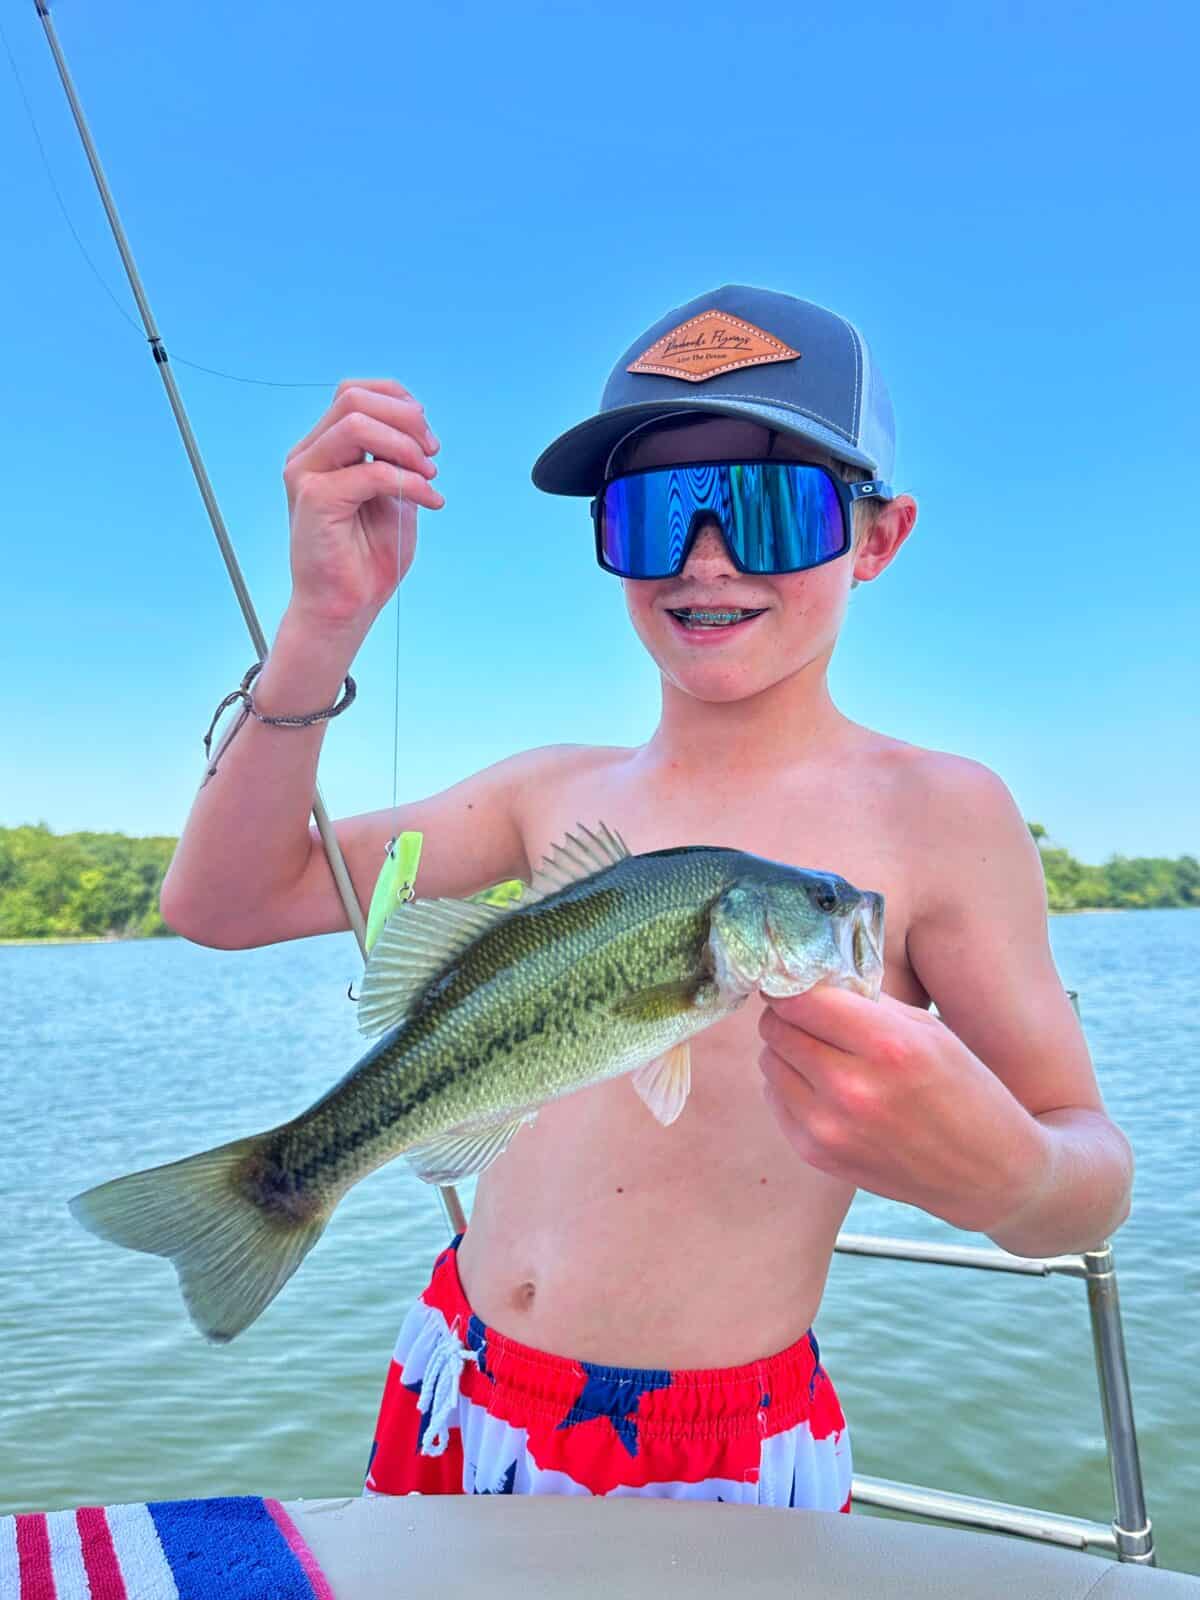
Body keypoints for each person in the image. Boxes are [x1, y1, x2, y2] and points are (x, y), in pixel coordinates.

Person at [160, 284, 1134, 1509]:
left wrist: (1008, 1176)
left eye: (771, 509)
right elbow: (223, 900)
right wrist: (320, 628)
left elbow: (1088, 1169)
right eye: (655, 510)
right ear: (609, 539)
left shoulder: (942, 815)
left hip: (719, 1449)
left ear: (878, 538)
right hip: (449, 1378)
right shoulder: (546, 792)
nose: (707, 556)